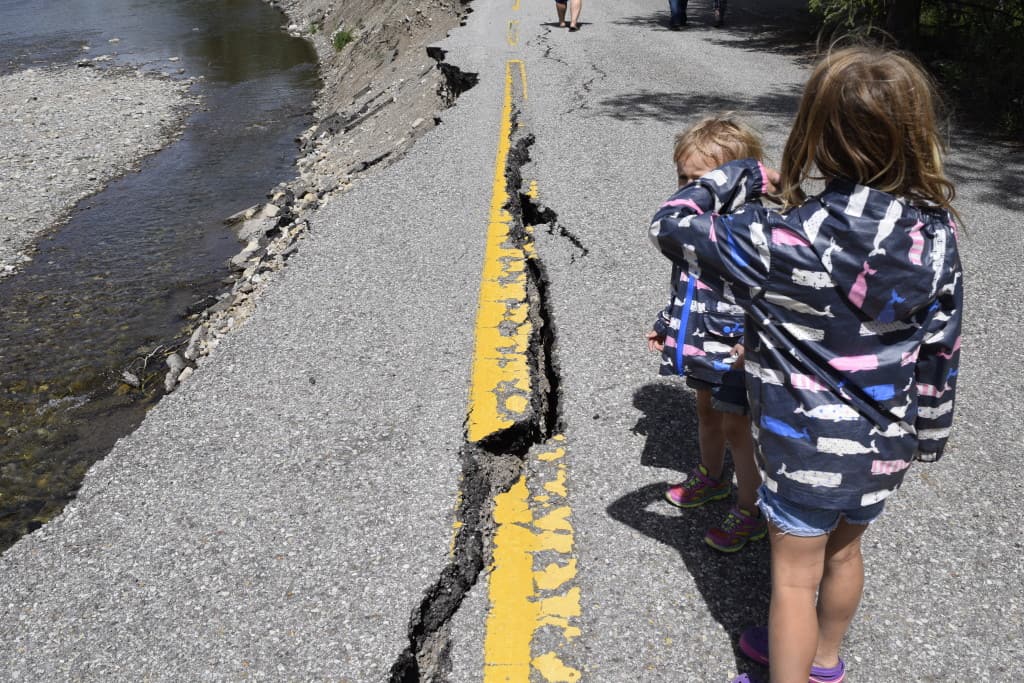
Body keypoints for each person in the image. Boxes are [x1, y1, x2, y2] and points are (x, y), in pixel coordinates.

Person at [648, 44, 963, 683]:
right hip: (886, 442)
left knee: (793, 580)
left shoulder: (785, 236)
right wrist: (930, 432)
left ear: (815, 135)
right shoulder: (937, 234)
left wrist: (740, 176)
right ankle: (824, 661)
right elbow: (941, 347)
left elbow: (671, 225)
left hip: (805, 446)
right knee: (845, 555)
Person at [647, 114, 767, 553]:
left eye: (701, 180)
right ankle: (712, 477)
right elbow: (685, 284)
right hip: (698, 340)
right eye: (683, 178)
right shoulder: (693, 227)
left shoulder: (751, 228)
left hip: (735, 349)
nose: (688, 190)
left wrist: (752, 343)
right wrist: (667, 322)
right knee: (705, 413)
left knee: (739, 429)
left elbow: (766, 295)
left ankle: (750, 509)